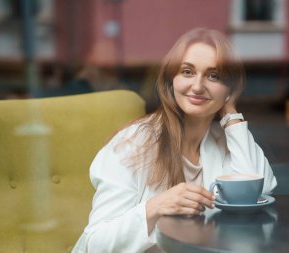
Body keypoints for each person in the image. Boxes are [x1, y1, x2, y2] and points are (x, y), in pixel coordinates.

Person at [72, 28, 277, 253]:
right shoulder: (134, 143)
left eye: (213, 76)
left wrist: (231, 114)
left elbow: (258, 191)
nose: (198, 86)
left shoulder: (225, 140)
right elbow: (95, 243)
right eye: (187, 72)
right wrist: (155, 207)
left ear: (230, 89)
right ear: (172, 79)